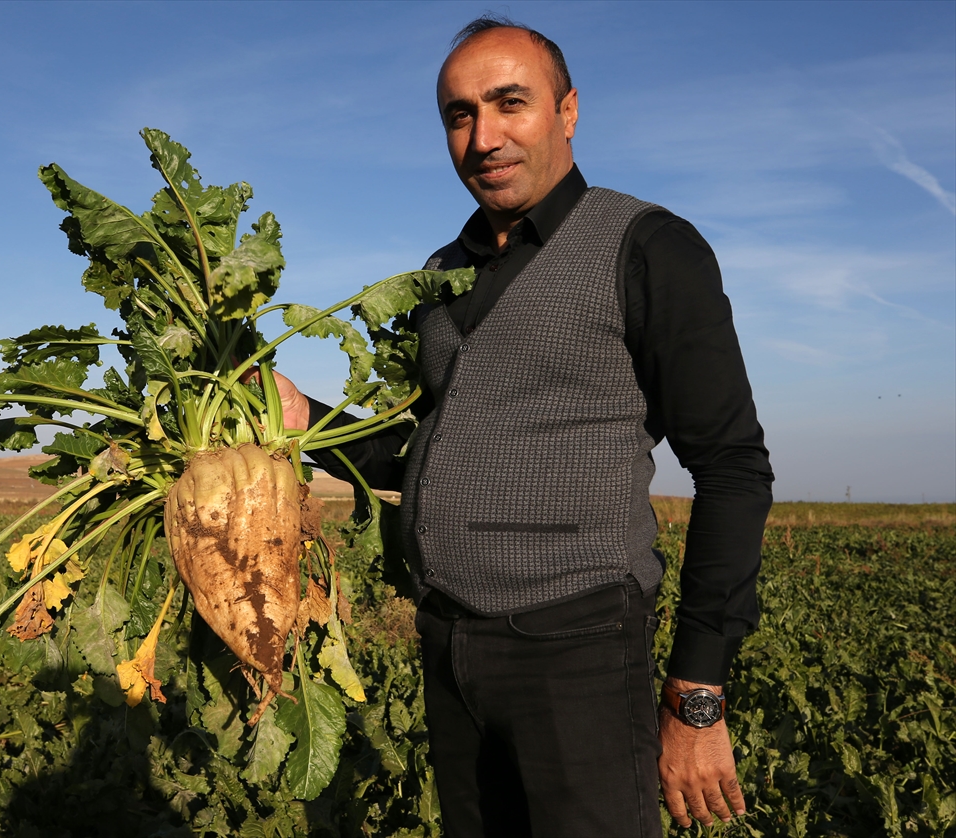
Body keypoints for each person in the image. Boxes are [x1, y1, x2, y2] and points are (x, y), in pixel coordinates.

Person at [266, 15, 773, 838]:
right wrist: (307, 421)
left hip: (578, 648)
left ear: (567, 111)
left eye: (510, 103)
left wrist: (698, 693)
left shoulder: (646, 246)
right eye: (460, 115)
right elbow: (418, 455)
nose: (484, 137)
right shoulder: (441, 274)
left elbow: (733, 468)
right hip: (451, 646)